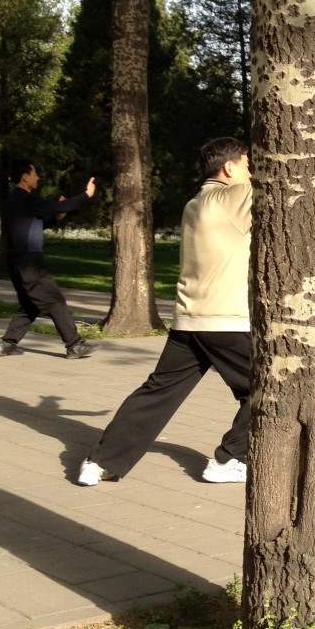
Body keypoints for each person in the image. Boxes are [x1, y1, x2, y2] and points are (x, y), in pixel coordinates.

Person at [78, 137, 253, 486]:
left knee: (158, 392)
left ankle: (99, 462)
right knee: (271, 386)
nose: (251, 174)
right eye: (248, 166)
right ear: (230, 167)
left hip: (188, 320)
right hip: (224, 320)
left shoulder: (194, 203)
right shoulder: (234, 197)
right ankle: (227, 459)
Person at [0, 160, 98, 359]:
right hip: (30, 264)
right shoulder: (27, 199)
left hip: (15, 263)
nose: (37, 177)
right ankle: (74, 345)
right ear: (25, 176)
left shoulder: (12, 201)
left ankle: (7, 344)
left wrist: (55, 218)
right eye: (35, 173)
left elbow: (30, 227)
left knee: (30, 305)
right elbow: (60, 205)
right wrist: (86, 195)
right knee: (55, 301)